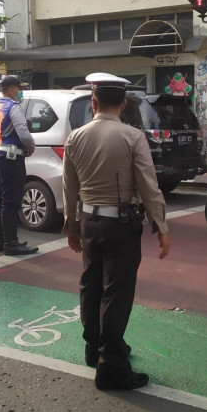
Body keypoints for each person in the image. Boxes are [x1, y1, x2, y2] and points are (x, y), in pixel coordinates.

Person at [62, 72, 171, 391]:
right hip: (121, 225)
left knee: (90, 285)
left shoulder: (75, 137)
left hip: (89, 223)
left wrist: (72, 224)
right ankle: (111, 367)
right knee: (116, 293)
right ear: (123, 104)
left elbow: (70, 186)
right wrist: (161, 226)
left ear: (93, 102)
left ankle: (94, 348)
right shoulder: (133, 137)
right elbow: (148, 185)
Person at [0, 75, 39, 256]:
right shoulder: (13, 107)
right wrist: (31, 147)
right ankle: (11, 244)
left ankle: (2, 241)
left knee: (1, 199)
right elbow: (23, 133)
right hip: (11, 157)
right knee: (11, 201)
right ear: (10, 89)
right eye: (18, 88)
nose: (20, 91)